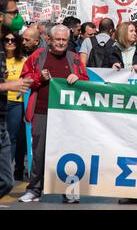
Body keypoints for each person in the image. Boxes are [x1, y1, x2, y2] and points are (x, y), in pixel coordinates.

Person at [19, 24, 89, 203]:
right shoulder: (38, 56)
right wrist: (39, 78)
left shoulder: (74, 58)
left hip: (68, 115)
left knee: (68, 152)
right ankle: (34, 189)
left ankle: (69, 191)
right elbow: (24, 80)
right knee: (39, 152)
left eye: (64, 40)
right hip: (42, 111)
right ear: (49, 40)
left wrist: (79, 79)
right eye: (57, 39)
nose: (60, 43)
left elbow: (86, 81)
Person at [0, 0, 33, 199]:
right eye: (13, 13)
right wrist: (8, 85)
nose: (17, 17)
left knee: (6, 181)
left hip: (2, 117)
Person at [3, 32, 27, 181]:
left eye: (13, 40)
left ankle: (6, 170)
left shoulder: (24, 61)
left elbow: (27, 81)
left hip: (16, 104)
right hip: (2, 101)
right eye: (7, 40)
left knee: (11, 138)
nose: (10, 42)